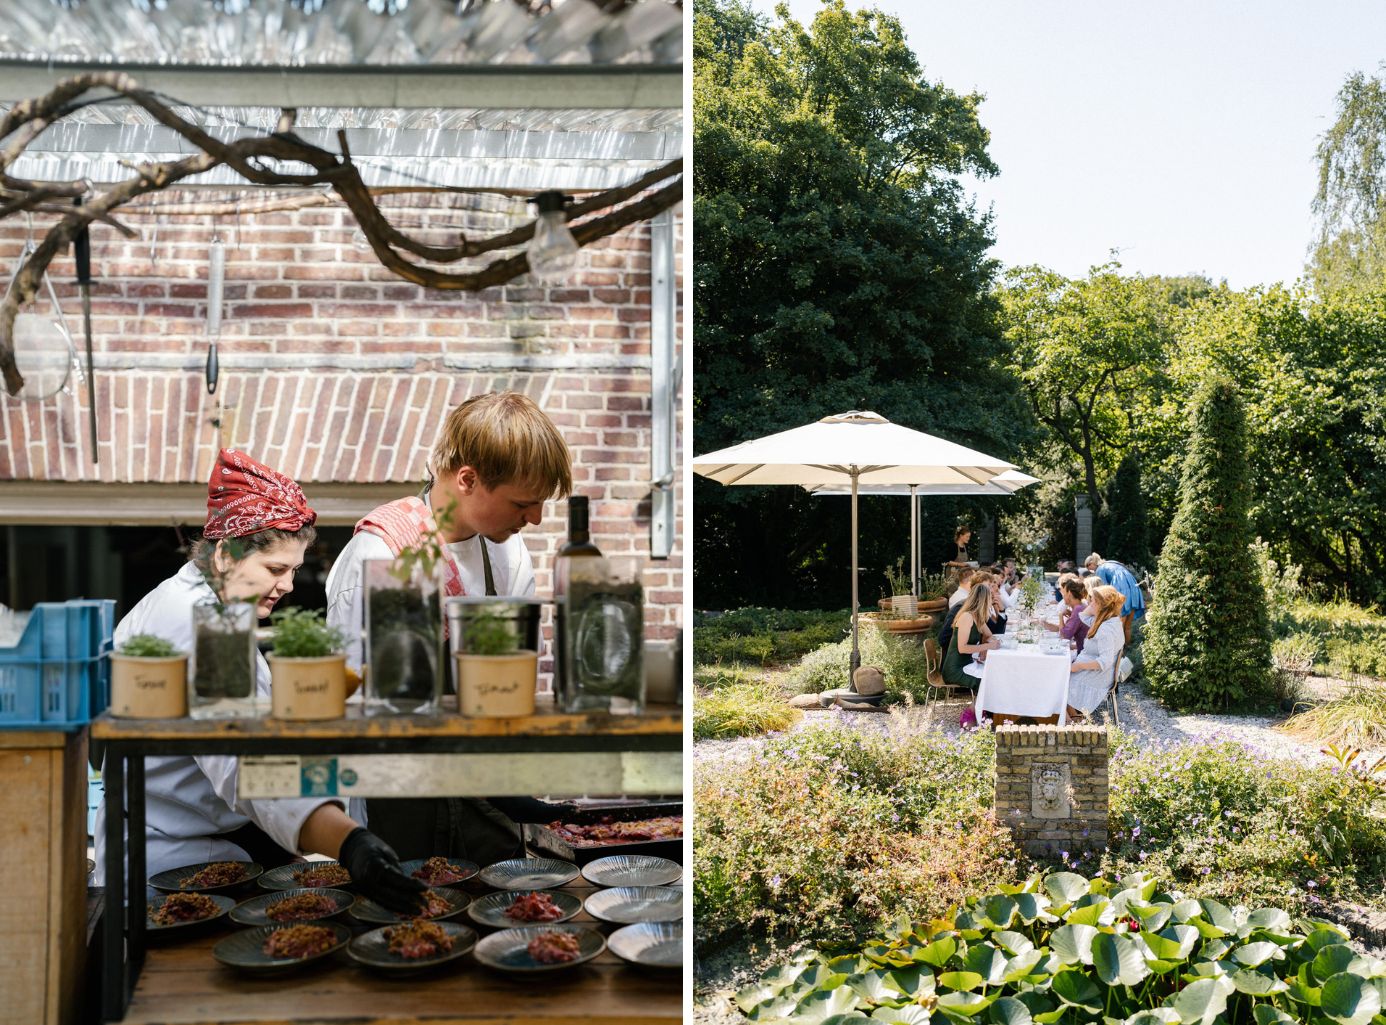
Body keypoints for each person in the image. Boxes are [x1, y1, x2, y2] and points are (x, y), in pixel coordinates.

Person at [94, 449, 426, 912]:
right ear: (227, 554)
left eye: (292, 569)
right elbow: (246, 763)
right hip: (173, 871)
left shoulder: (209, 606)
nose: (289, 585)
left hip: (204, 851)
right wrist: (350, 842)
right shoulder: (192, 623)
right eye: (276, 569)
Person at [326, 391, 575, 865]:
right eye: (523, 502)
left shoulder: (508, 552)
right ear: (468, 479)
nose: (536, 518)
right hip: (400, 807)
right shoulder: (381, 555)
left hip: (491, 801)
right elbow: (353, 707)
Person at [1065, 584, 1126, 719]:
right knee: (1060, 676)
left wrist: (1079, 666)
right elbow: (1083, 616)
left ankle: (1071, 720)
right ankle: (1072, 717)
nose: (1089, 603)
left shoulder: (1105, 629)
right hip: (1094, 671)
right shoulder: (1110, 620)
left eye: (1092, 601)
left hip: (1097, 676)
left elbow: (1105, 661)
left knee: (1060, 680)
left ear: (1100, 605)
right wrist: (1093, 606)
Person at [940, 583, 999, 690]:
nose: (992, 602)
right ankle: (974, 707)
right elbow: (962, 648)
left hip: (968, 663)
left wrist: (985, 648)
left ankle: (979, 706)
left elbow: (990, 635)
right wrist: (987, 647)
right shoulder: (967, 617)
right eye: (991, 598)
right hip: (956, 670)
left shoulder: (978, 617)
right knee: (990, 683)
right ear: (984, 600)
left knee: (995, 675)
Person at [1084, 552, 1147, 643]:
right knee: (1127, 626)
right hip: (1134, 589)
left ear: (1092, 563)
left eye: (1088, 567)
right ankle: (1126, 649)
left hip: (1122, 590)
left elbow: (1102, 589)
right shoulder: (1111, 563)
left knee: (1119, 626)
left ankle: (1118, 652)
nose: (1091, 571)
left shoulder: (1100, 569)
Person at [1042, 575, 1090, 653]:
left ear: (1069, 594)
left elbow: (1064, 636)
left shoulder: (1078, 609)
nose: (1063, 596)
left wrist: (1060, 616)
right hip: (1082, 650)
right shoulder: (1080, 607)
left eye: (1064, 593)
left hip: (1082, 653)